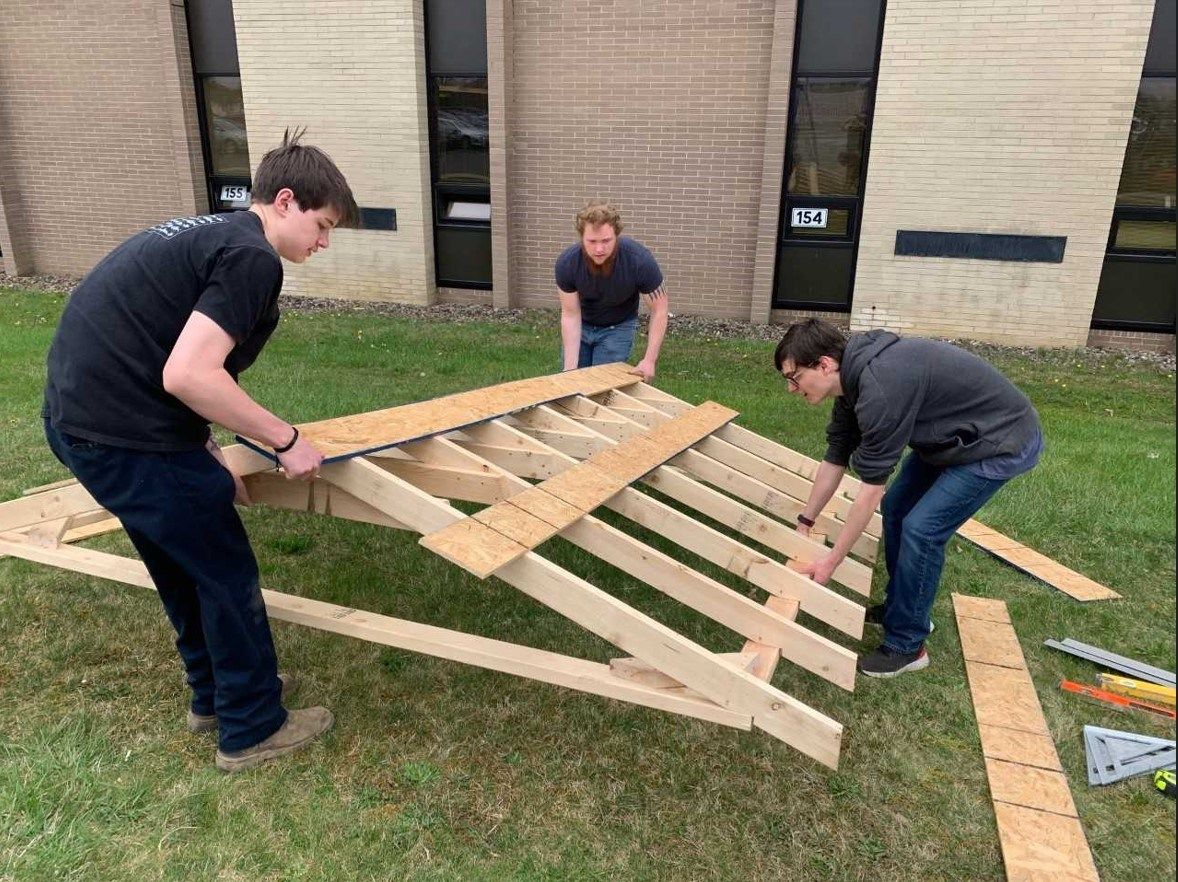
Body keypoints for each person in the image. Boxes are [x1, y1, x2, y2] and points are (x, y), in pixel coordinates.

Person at [42, 130, 360, 771]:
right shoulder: (253, 258)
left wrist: (206, 447)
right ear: (286, 201)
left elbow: (167, 350)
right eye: (322, 227)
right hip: (126, 434)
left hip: (84, 421)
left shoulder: (215, 233)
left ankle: (215, 696)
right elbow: (187, 374)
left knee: (181, 562)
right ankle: (250, 725)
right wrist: (286, 439)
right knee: (224, 574)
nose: (323, 243)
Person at [774, 320, 1043, 678]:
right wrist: (805, 521)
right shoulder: (852, 383)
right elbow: (835, 456)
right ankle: (903, 607)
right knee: (898, 507)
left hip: (998, 441)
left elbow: (869, 491)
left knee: (922, 528)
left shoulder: (880, 391)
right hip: (953, 437)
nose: (791, 388)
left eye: (793, 377)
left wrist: (832, 561)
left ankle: (908, 644)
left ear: (823, 364)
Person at [555, 200, 669, 382]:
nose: (599, 249)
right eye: (592, 241)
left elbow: (660, 310)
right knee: (572, 384)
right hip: (582, 324)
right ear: (581, 238)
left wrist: (649, 360)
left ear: (617, 235)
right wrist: (570, 369)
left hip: (618, 327)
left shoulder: (639, 261)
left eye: (606, 241)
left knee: (603, 385)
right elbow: (570, 315)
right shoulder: (567, 264)